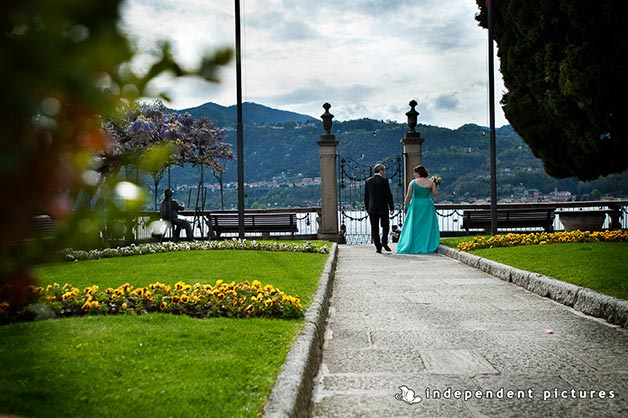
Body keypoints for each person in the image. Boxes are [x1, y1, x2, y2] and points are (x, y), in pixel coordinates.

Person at [396, 165, 440, 253]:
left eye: (415, 172)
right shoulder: (430, 182)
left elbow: (408, 196)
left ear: (418, 173)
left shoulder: (413, 182)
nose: (414, 174)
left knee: (414, 225)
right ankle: (427, 242)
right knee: (427, 224)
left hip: (416, 205)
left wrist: (406, 206)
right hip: (427, 204)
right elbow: (435, 194)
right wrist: (435, 185)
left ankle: (413, 243)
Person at [364, 163, 395, 253]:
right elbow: (389, 195)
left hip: (372, 208)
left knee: (375, 228)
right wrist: (391, 207)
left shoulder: (368, 181)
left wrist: (367, 207)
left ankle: (378, 247)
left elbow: (366, 196)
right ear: (381, 171)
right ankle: (384, 241)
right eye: (384, 170)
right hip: (383, 208)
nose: (384, 172)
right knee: (385, 226)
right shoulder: (384, 181)